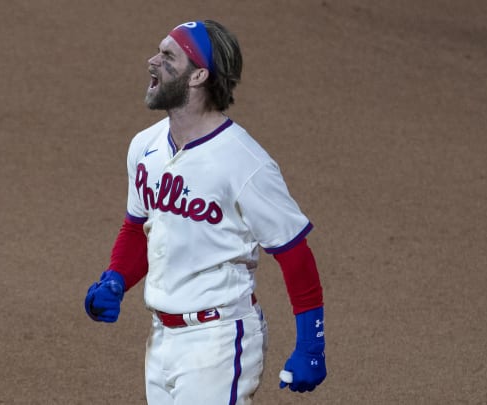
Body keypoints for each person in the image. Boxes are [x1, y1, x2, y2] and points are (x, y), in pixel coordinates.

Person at [84, 20, 326, 404]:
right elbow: (138, 228)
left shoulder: (245, 163)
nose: (152, 61)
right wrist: (115, 279)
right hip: (161, 337)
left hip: (218, 340)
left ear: (199, 75)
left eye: (167, 56)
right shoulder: (144, 147)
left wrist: (311, 344)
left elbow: (294, 253)